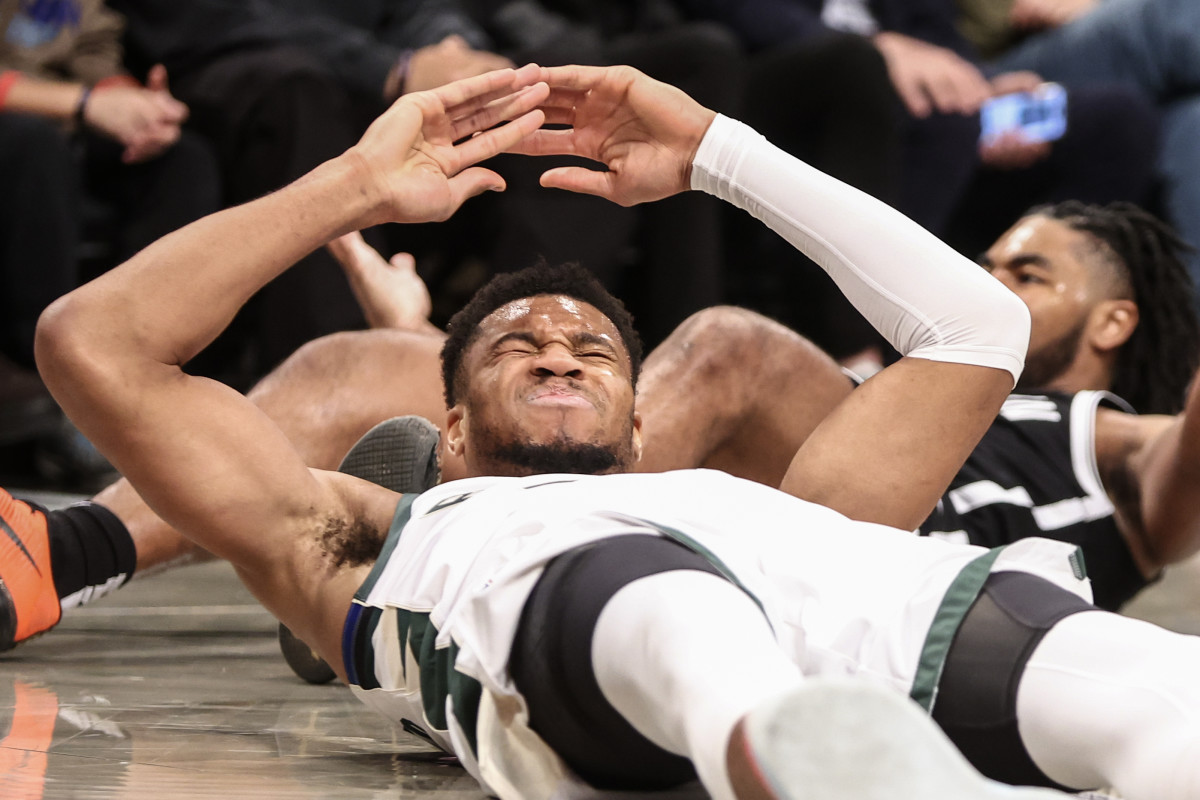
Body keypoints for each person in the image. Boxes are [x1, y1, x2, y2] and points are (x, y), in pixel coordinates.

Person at [19, 62, 1200, 800]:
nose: (556, 348)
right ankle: (788, 744)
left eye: (593, 350)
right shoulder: (347, 538)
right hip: (591, 628)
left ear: (646, 432)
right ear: (453, 435)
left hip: (879, 620)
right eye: (515, 346)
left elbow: (974, 325)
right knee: (659, 589)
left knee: (1165, 702)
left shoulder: (808, 515)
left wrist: (716, 157)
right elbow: (95, 343)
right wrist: (353, 188)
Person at [0, 0, 220, 462]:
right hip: (29, 128)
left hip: (61, 121)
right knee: (32, 150)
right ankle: (48, 380)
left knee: (182, 162)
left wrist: (132, 102)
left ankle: (144, 369)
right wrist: (85, 103)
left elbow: (92, 52)